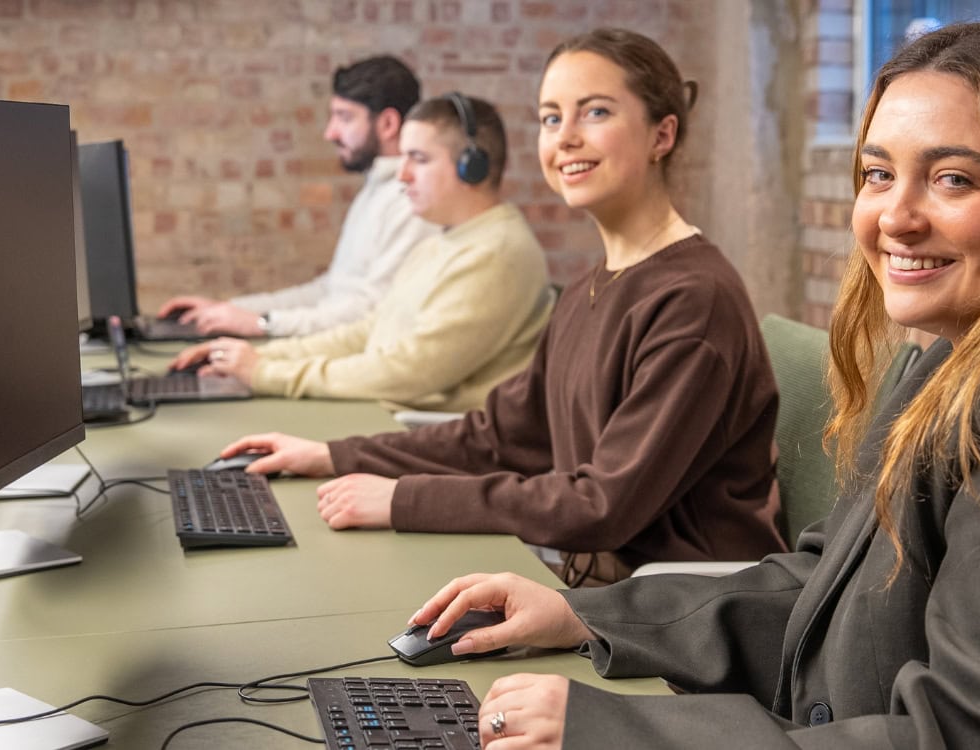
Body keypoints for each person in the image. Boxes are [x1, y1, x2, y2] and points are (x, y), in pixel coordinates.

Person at [402, 21, 980, 748]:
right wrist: (586, 615)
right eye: (879, 173)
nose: (895, 215)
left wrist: (616, 728)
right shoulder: (949, 356)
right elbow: (831, 587)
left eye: (955, 179)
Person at [218, 29, 786, 586]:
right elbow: (498, 437)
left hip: (672, 616)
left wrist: (401, 499)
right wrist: (334, 455)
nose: (564, 138)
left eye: (595, 113)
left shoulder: (692, 301)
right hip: (600, 588)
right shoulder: (598, 283)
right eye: (550, 117)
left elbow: (600, 504)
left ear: (662, 135)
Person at [169, 94, 552, 413]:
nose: (402, 175)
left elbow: (410, 370)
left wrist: (268, 375)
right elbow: (368, 332)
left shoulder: (497, 254)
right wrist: (257, 357)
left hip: (435, 441)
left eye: (418, 159)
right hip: (392, 420)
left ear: (472, 166)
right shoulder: (442, 243)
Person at [158, 55, 437, 338]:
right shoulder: (377, 190)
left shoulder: (410, 203)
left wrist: (263, 324)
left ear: (388, 123)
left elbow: (370, 313)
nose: (330, 132)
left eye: (345, 117)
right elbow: (331, 291)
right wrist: (231, 310)